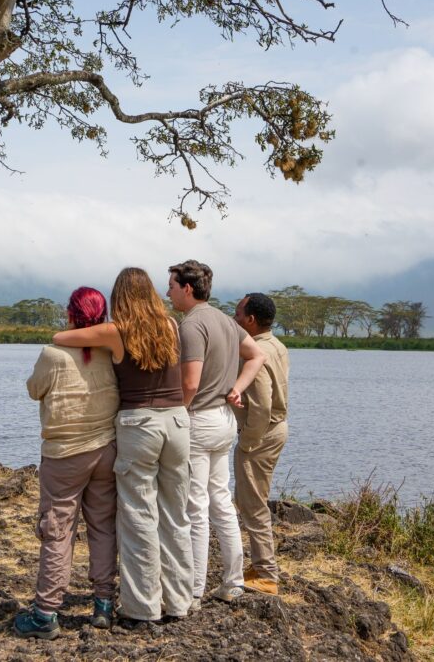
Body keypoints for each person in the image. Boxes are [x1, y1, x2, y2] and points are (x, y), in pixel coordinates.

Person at [52, 267, 194, 624]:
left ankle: (141, 607)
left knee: (138, 517)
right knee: (176, 515)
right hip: (177, 421)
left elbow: (61, 338)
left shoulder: (117, 331)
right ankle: (179, 602)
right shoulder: (172, 327)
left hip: (140, 423)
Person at [13, 287, 120, 640]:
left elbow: (34, 390)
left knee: (58, 531)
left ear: (71, 314)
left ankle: (46, 612)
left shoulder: (53, 354)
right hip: (105, 450)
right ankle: (103, 604)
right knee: (103, 526)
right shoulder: (110, 351)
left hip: (63, 455)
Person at [166, 260, 266, 605]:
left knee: (195, 506)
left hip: (199, 421)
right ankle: (233, 581)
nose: (168, 292)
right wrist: (237, 388)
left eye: (172, 286)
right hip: (224, 420)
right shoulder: (225, 320)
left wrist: (175, 413)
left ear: (187, 289)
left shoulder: (191, 325)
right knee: (221, 501)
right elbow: (257, 355)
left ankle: (193, 590)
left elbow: (190, 383)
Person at [232, 293, 290, 595]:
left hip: (261, 433)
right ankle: (259, 565)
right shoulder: (276, 344)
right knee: (254, 498)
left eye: (238, 313)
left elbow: (262, 404)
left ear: (251, 320)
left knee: (252, 502)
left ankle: (266, 573)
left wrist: (248, 442)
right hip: (275, 429)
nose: (234, 318)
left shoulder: (256, 352)